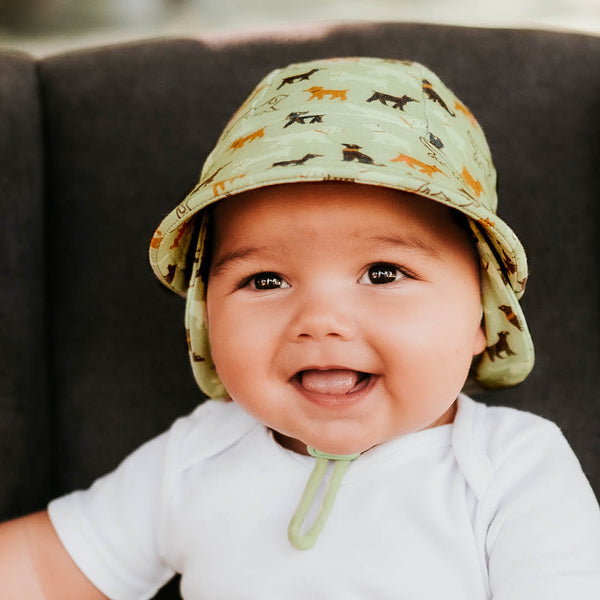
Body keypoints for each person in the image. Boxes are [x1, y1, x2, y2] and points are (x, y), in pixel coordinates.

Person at [1, 57, 599, 599]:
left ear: (483, 315)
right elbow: (39, 570)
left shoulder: (511, 467)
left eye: (383, 272)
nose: (319, 321)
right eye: (265, 281)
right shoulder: (197, 456)